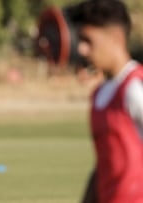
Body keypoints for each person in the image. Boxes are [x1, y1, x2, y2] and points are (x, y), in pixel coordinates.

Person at [68, 1, 143, 203]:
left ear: (115, 38)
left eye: (88, 40)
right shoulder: (100, 94)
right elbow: (104, 165)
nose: (82, 50)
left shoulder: (135, 89)